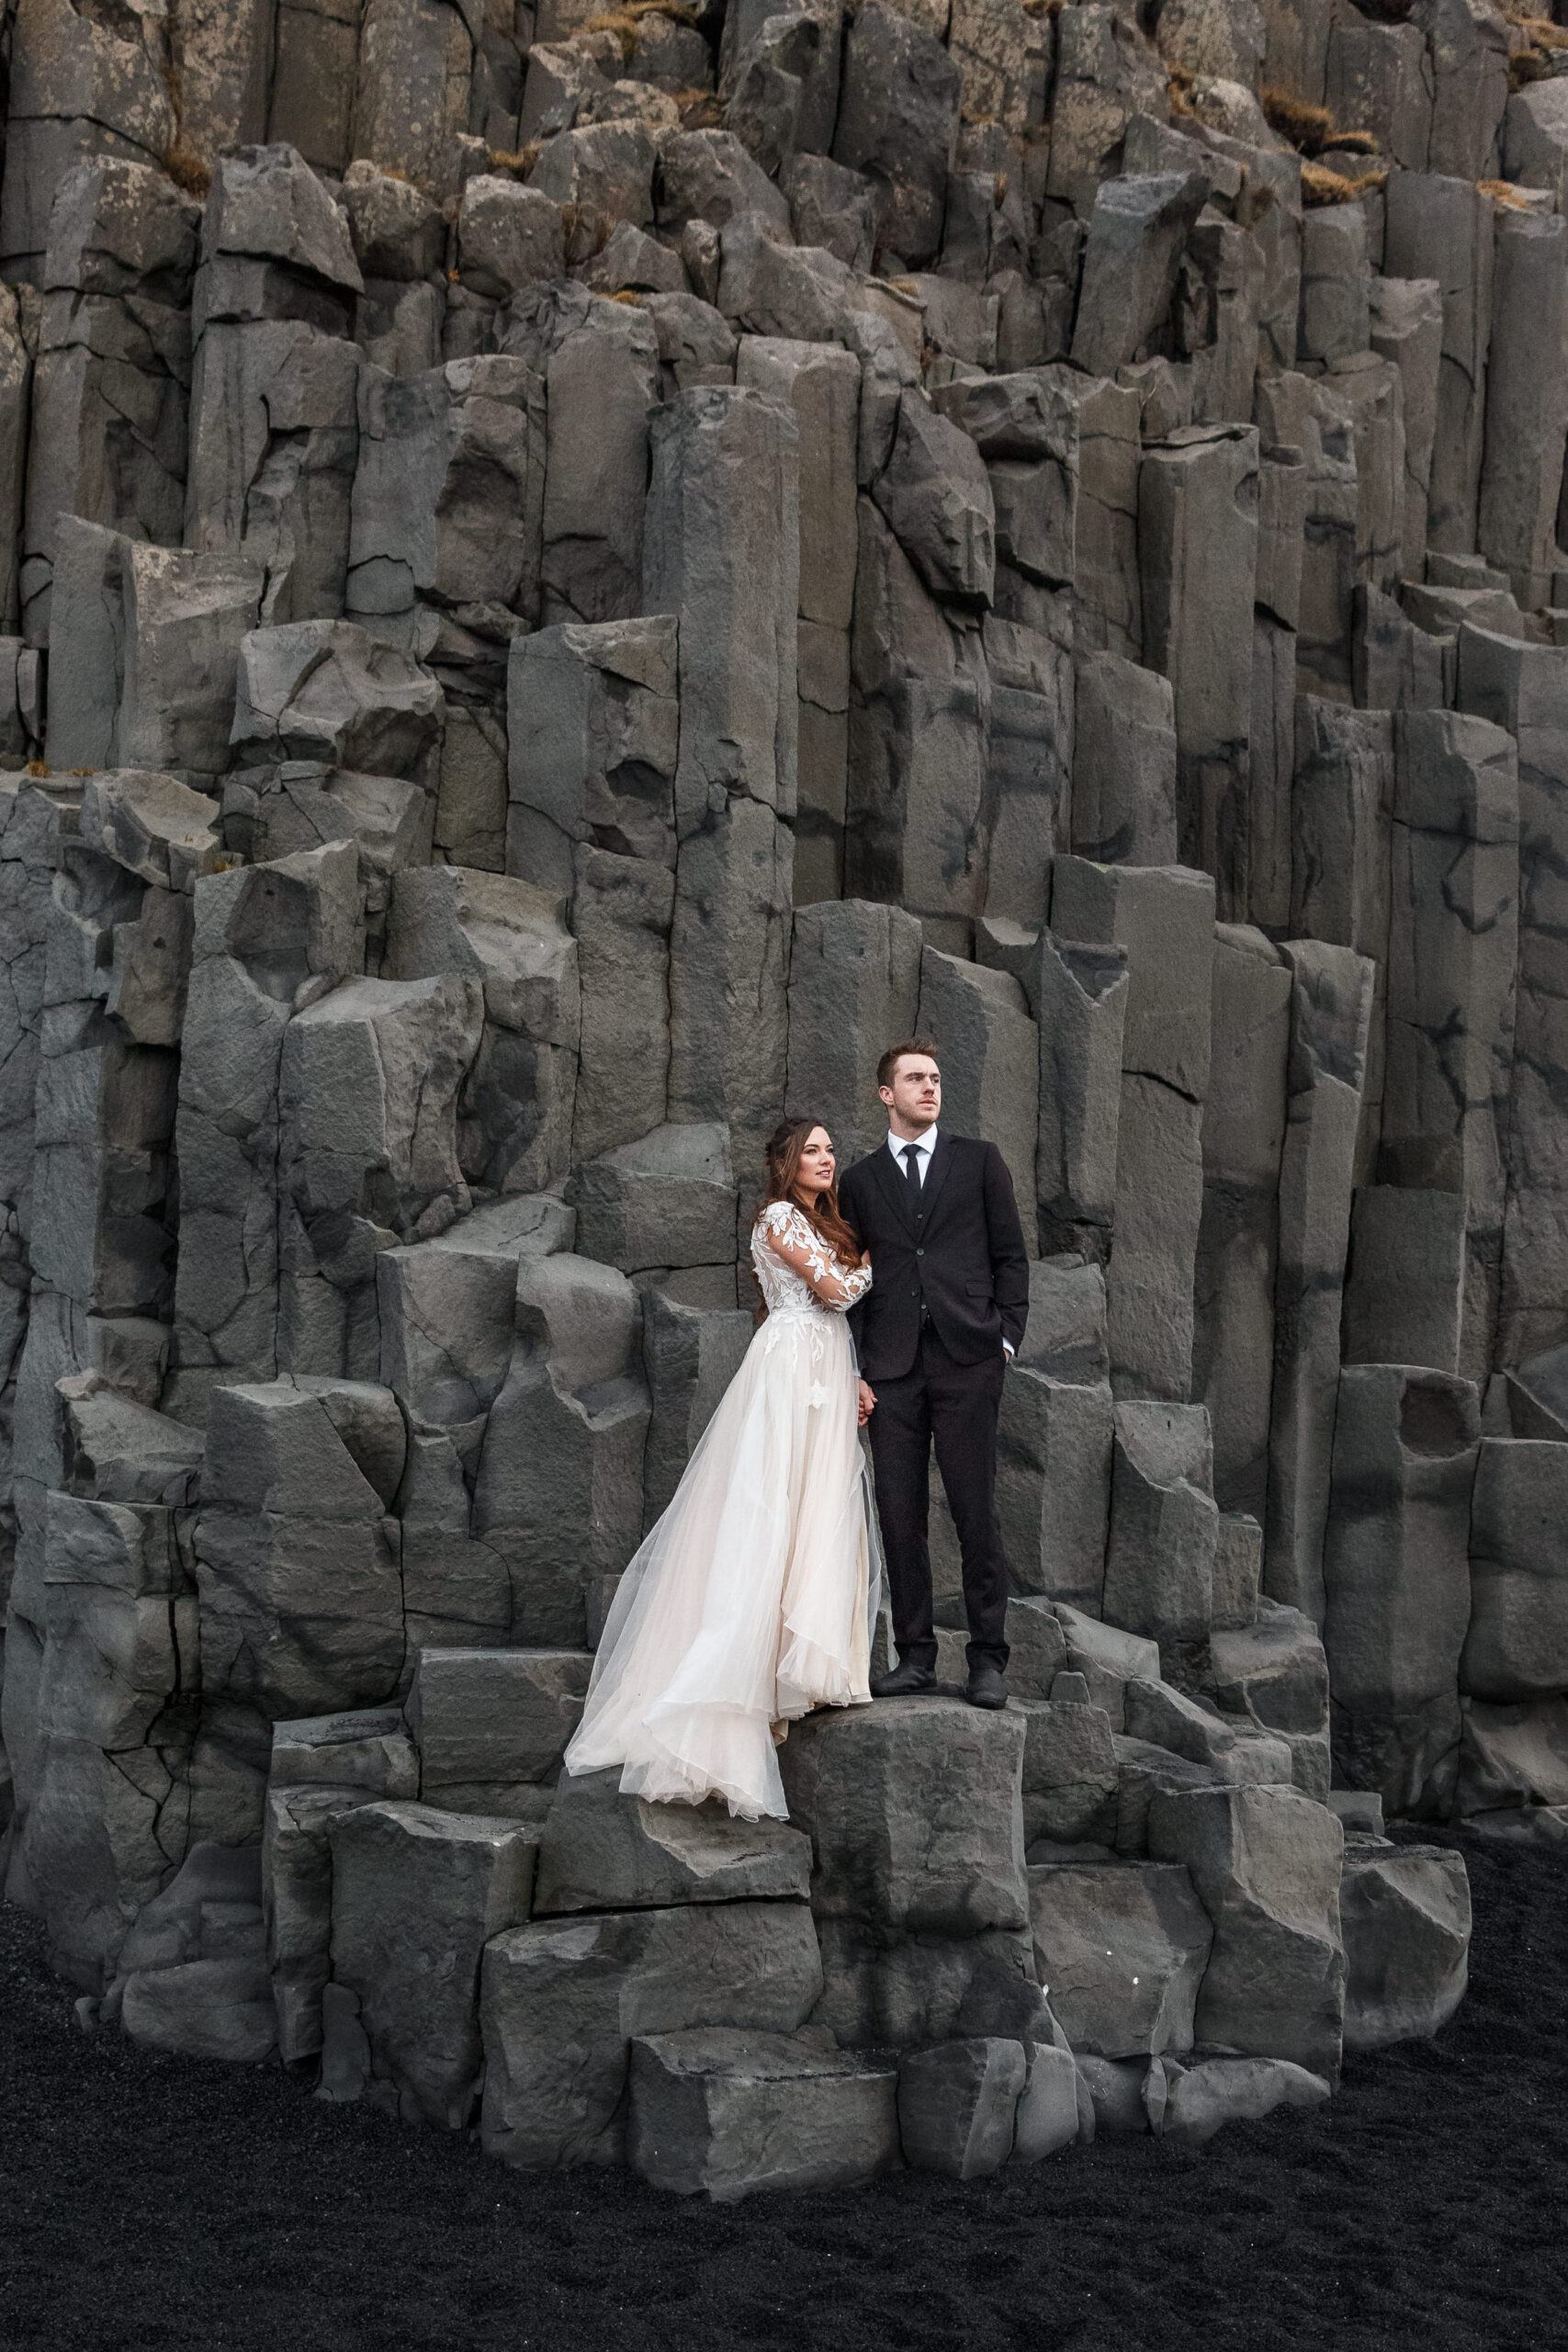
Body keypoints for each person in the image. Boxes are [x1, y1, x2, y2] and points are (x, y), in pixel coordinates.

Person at [561, 1116, 880, 1822]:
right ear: (784, 1162)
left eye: (831, 1151)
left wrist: (854, 1373)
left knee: (817, 1502)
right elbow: (833, 1293)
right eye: (813, 1151)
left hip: (821, 1361)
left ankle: (806, 1666)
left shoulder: (814, 1222)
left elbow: (828, 1311)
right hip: (791, 1365)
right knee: (772, 1503)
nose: (826, 1160)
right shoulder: (776, 1217)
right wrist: (881, 1262)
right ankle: (735, 1679)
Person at [837, 1039, 1031, 1710]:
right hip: (891, 1372)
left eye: (935, 1078)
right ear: (886, 1095)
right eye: (914, 1079)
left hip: (967, 1361)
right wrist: (857, 1366)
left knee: (974, 1509)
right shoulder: (859, 1181)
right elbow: (853, 1282)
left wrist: (1004, 1339)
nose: (928, 1087)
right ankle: (914, 1655)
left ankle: (987, 1660)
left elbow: (1010, 1255)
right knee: (899, 1515)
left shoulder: (978, 1162)